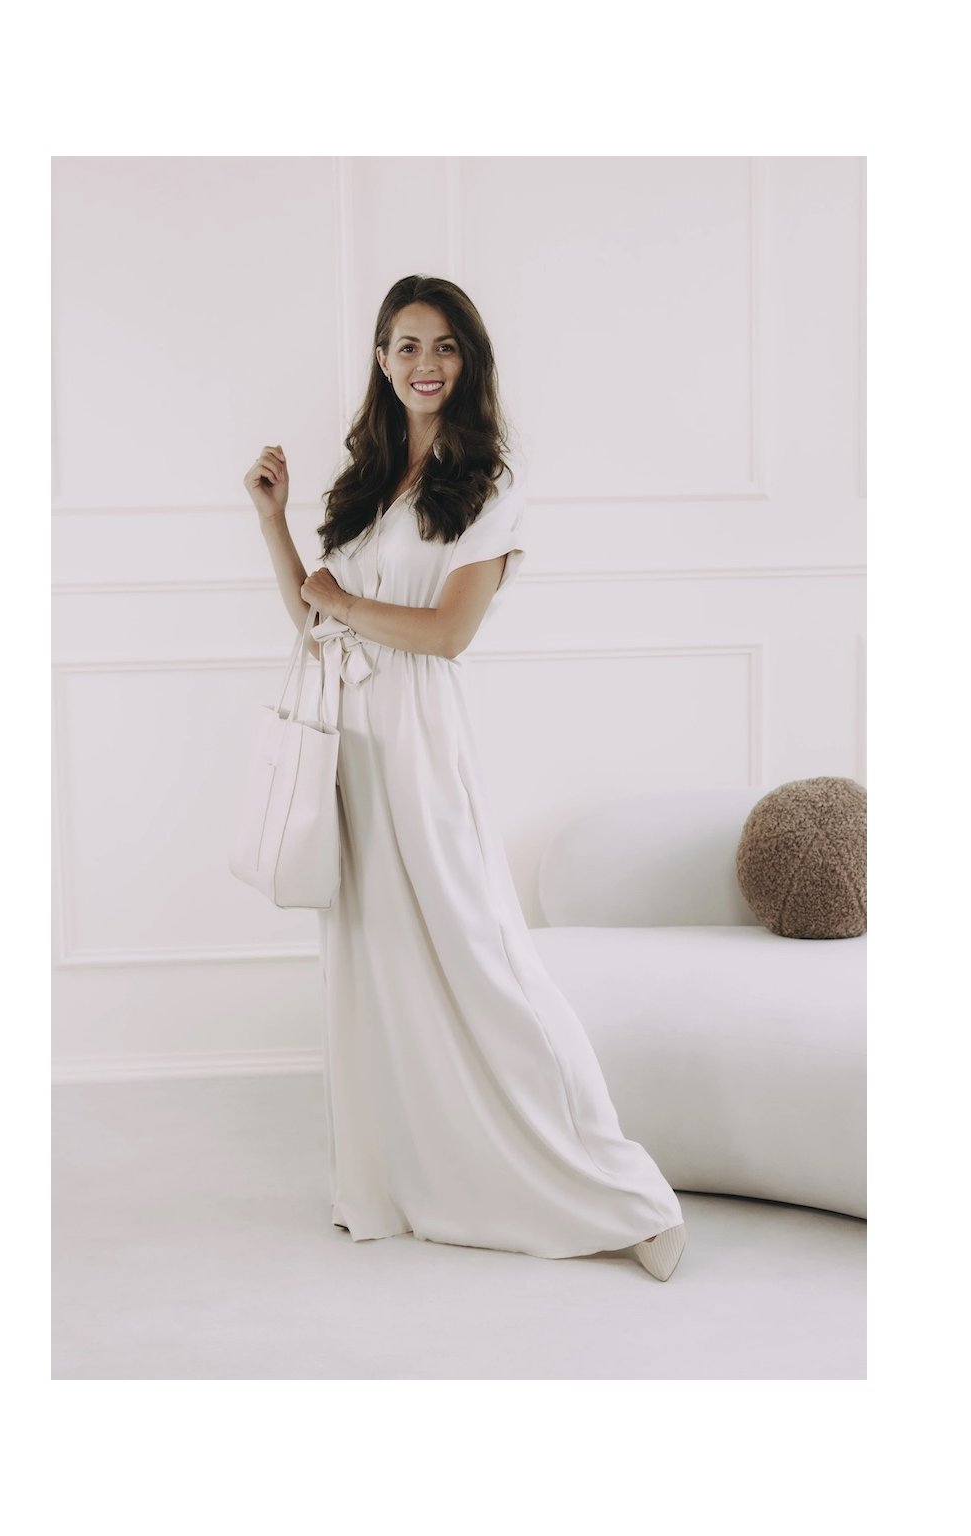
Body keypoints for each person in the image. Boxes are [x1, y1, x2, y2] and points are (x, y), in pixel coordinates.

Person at [243, 275, 686, 1281]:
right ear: (380, 359)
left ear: (468, 359)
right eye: (405, 346)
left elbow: (447, 634)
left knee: (478, 950)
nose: (424, 364)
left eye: (443, 346)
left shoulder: (485, 480)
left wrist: (338, 603)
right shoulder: (369, 477)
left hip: (417, 739)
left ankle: (617, 1191)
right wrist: (274, 523)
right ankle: (397, 1182)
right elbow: (313, 616)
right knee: (372, 960)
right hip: (349, 733)